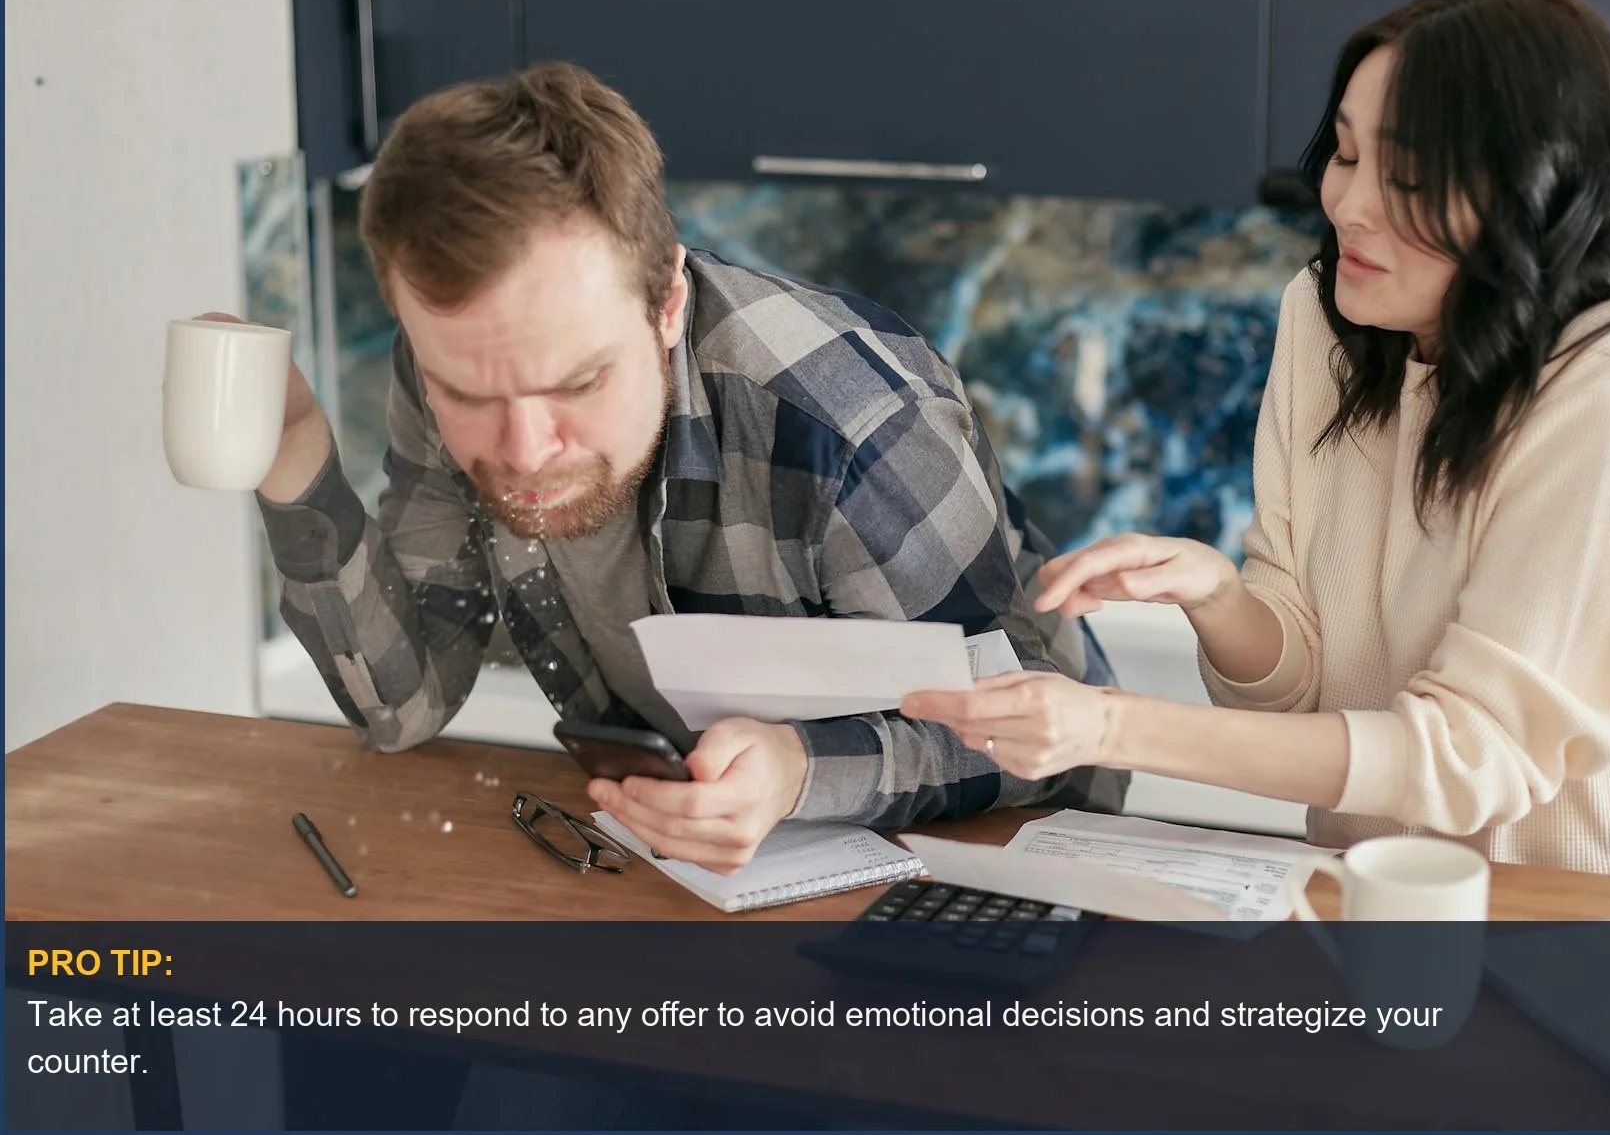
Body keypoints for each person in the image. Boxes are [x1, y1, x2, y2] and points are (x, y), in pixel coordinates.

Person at [903, 0, 1610, 880]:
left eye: (1406, 176)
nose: (1349, 204)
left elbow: (1468, 752)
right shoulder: (1330, 317)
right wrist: (1219, 597)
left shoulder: (1609, 390)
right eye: (1344, 153)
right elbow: (1302, 685)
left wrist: (1109, 725)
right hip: (1347, 892)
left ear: (1528, 193)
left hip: (1553, 917)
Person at [249, 62, 1123, 874]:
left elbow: (1024, 735)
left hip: (1011, 862)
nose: (522, 451)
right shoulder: (459, 359)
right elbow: (404, 707)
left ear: (666, 303)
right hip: (699, 871)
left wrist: (797, 769)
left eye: (580, 381)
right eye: (464, 391)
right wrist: (293, 453)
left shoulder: (856, 425)